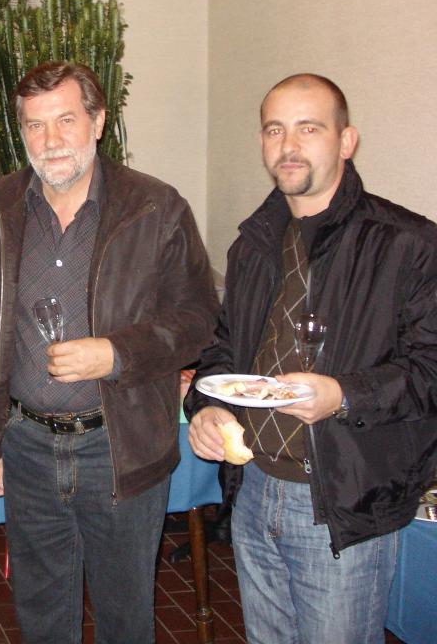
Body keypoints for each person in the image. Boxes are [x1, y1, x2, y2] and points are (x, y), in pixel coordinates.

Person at [0, 61, 218, 643]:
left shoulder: (155, 207)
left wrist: (116, 353)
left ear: (98, 121)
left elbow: (199, 320)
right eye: (34, 125)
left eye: (66, 120)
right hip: (27, 447)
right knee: (40, 617)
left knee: (124, 618)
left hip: (118, 446)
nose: (50, 140)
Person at [186, 74, 437, 644]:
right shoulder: (253, 244)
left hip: (342, 502)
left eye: (309, 128)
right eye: (275, 130)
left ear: (346, 141)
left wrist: (343, 395)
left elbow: (431, 371)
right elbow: (223, 350)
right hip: (254, 489)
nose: (289, 145)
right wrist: (208, 407)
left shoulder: (407, 244)